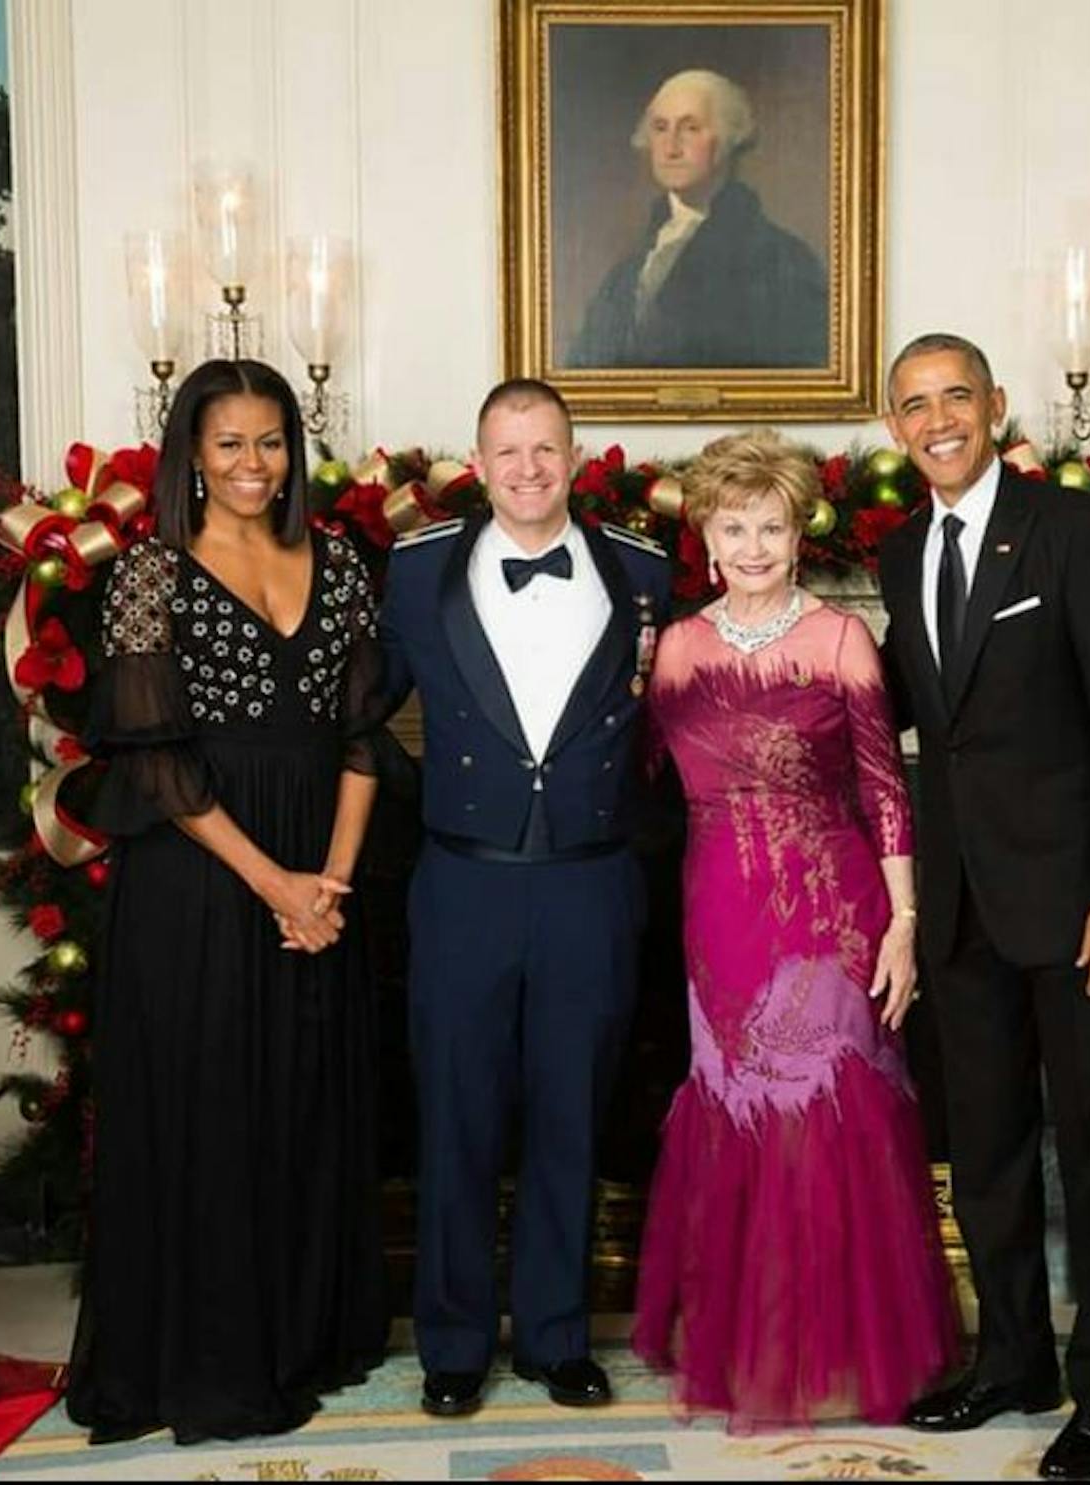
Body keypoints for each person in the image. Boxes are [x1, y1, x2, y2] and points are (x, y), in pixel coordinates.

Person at [65, 359, 389, 1443]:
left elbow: (362, 738)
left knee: (304, 1101)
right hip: (200, 875)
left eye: (271, 442)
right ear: (191, 459)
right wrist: (275, 886)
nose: (254, 465)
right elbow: (155, 767)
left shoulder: (340, 562)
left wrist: (329, 886)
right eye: (230, 445)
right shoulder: (150, 573)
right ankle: (210, 1353)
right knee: (213, 1105)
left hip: (316, 871)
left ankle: (303, 1334)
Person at [873, 334, 1090, 1481]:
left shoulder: (1072, 529)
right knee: (987, 1152)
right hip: (958, 909)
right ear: (895, 429)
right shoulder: (902, 551)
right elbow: (906, 700)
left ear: (996, 404)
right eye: (914, 406)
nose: (937, 420)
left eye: (956, 397)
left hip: (1073, 901)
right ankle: (1013, 1360)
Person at [631, 429, 958, 1429]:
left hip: (829, 912)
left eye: (772, 524)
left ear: (798, 531)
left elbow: (883, 786)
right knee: (735, 1113)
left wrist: (904, 921)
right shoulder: (677, 649)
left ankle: (843, 1348)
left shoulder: (840, 640)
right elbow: (639, 780)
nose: (756, 543)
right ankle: (760, 1341)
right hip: (716, 910)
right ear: (709, 538)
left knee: (824, 1113)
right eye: (736, 525)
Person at [363, 377, 672, 1418]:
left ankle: (553, 1336)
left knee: (570, 1116)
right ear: (478, 461)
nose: (529, 470)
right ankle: (452, 1345)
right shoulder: (412, 575)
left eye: (546, 450)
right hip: (463, 884)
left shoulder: (645, 572)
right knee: (455, 1114)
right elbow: (353, 718)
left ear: (574, 456)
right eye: (509, 452)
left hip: (593, 885)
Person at [567, 68, 827, 369]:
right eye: (661, 128)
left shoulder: (781, 259)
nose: (671, 146)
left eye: (690, 128)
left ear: (729, 139)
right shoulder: (627, 270)